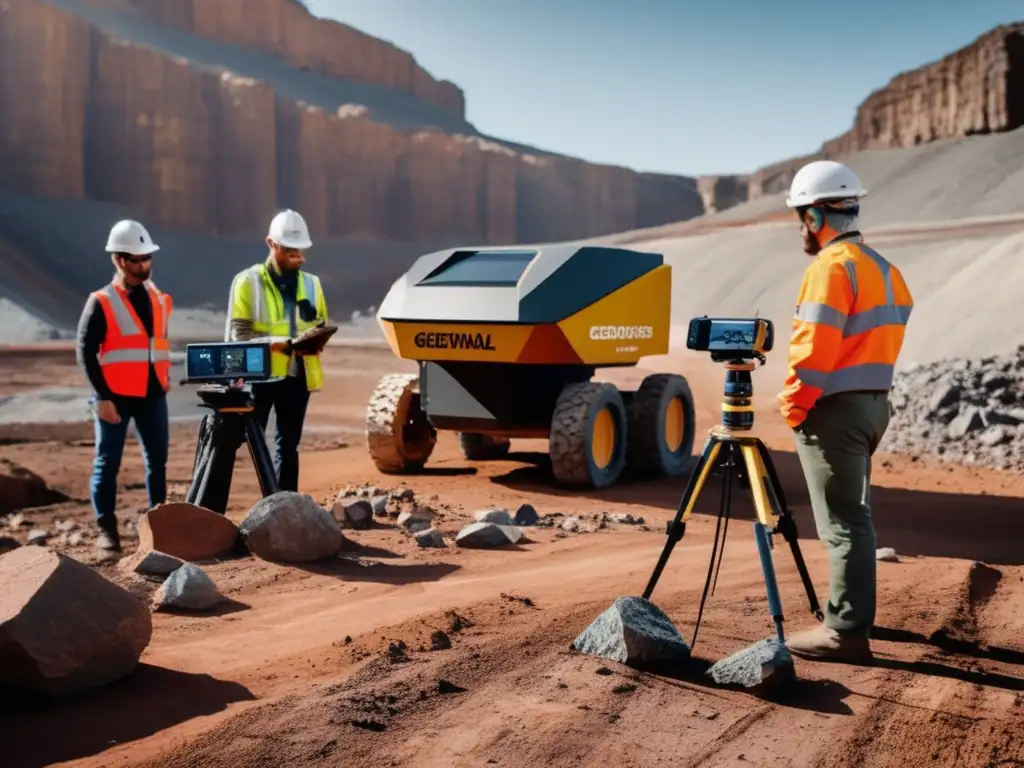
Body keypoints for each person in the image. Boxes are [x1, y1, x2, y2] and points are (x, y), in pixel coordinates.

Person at [777, 160, 914, 663]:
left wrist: (793, 406)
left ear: (815, 216)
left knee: (843, 522)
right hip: (874, 404)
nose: (800, 229)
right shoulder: (884, 269)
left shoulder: (830, 270)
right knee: (855, 516)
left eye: (800, 218)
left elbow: (814, 351)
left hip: (833, 410)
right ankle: (853, 614)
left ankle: (846, 631)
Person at [76, 219, 173, 554]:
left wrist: (163, 379)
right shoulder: (101, 301)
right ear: (119, 260)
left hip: (152, 395)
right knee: (107, 463)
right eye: (137, 259)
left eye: (147, 258)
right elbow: (85, 351)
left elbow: (156, 344)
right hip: (114, 398)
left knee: (157, 461)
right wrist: (101, 397)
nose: (144, 264)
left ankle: (160, 530)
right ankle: (107, 532)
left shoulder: (158, 298)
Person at [225, 209, 329, 492]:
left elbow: (320, 323)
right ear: (271, 243)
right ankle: (265, 503)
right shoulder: (248, 282)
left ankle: (285, 505)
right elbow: (239, 336)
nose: (297, 256)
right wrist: (273, 344)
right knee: (250, 443)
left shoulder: (312, 283)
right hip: (261, 376)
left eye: (300, 250)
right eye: (289, 250)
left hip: (298, 375)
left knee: (289, 445)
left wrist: (315, 340)